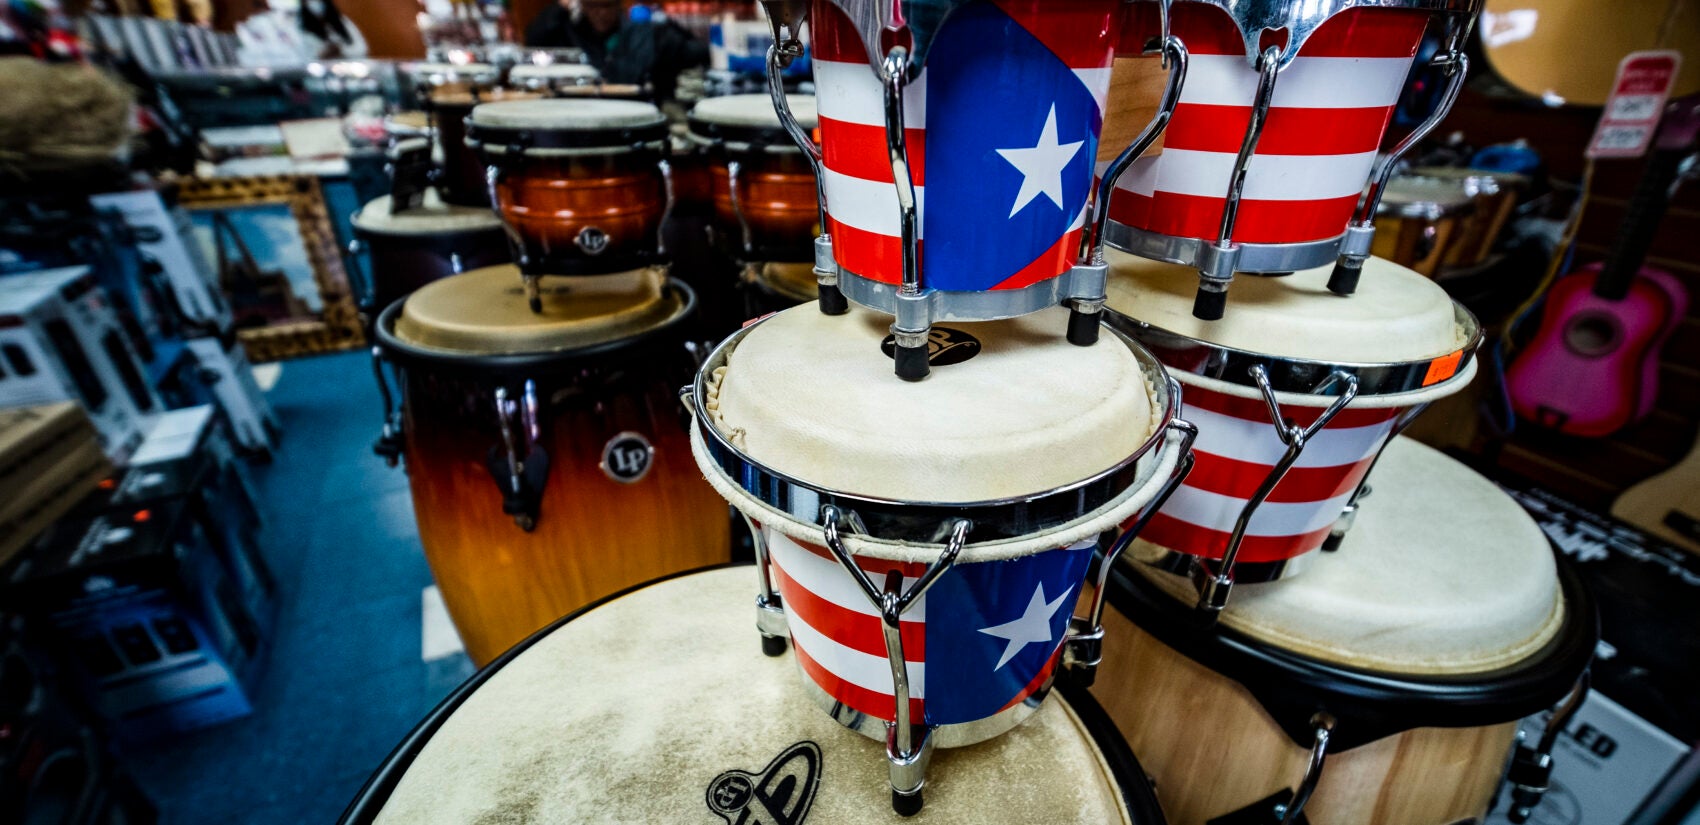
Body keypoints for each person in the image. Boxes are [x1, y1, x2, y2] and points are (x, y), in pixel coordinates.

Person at [525, 0, 706, 101]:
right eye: (593, 6)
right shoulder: (568, 33)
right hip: (581, 120)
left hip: (634, 120)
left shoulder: (644, 33)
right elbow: (534, 40)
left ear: (619, 5)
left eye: (607, 6)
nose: (601, 13)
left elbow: (697, 53)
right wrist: (561, 6)